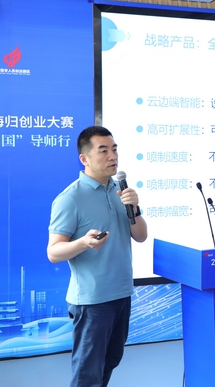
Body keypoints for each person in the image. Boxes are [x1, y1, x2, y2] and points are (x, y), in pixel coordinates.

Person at [47, 125, 148, 387]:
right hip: (92, 300)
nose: (112, 156)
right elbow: (53, 252)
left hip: (122, 293)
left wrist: (135, 208)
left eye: (114, 149)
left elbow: (140, 236)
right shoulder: (70, 198)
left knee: (110, 361)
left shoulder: (120, 191)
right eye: (103, 151)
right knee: (88, 373)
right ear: (85, 158)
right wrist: (83, 242)